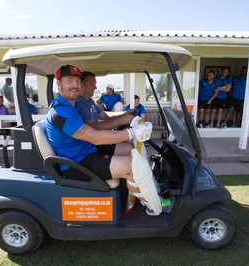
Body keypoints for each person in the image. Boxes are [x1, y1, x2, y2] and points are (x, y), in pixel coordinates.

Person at [45, 65, 174, 216]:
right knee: (132, 165)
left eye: (77, 81)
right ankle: (154, 206)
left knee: (131, 151)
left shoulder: (71, 106)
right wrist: (132, 133)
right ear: (58, 84)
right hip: (75, 164)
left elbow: (97, 129)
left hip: (87, 151)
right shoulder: (60, 111)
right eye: (69, 81)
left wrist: (127, 126)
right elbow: (95, 136)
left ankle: (149, 187)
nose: (75, 85)